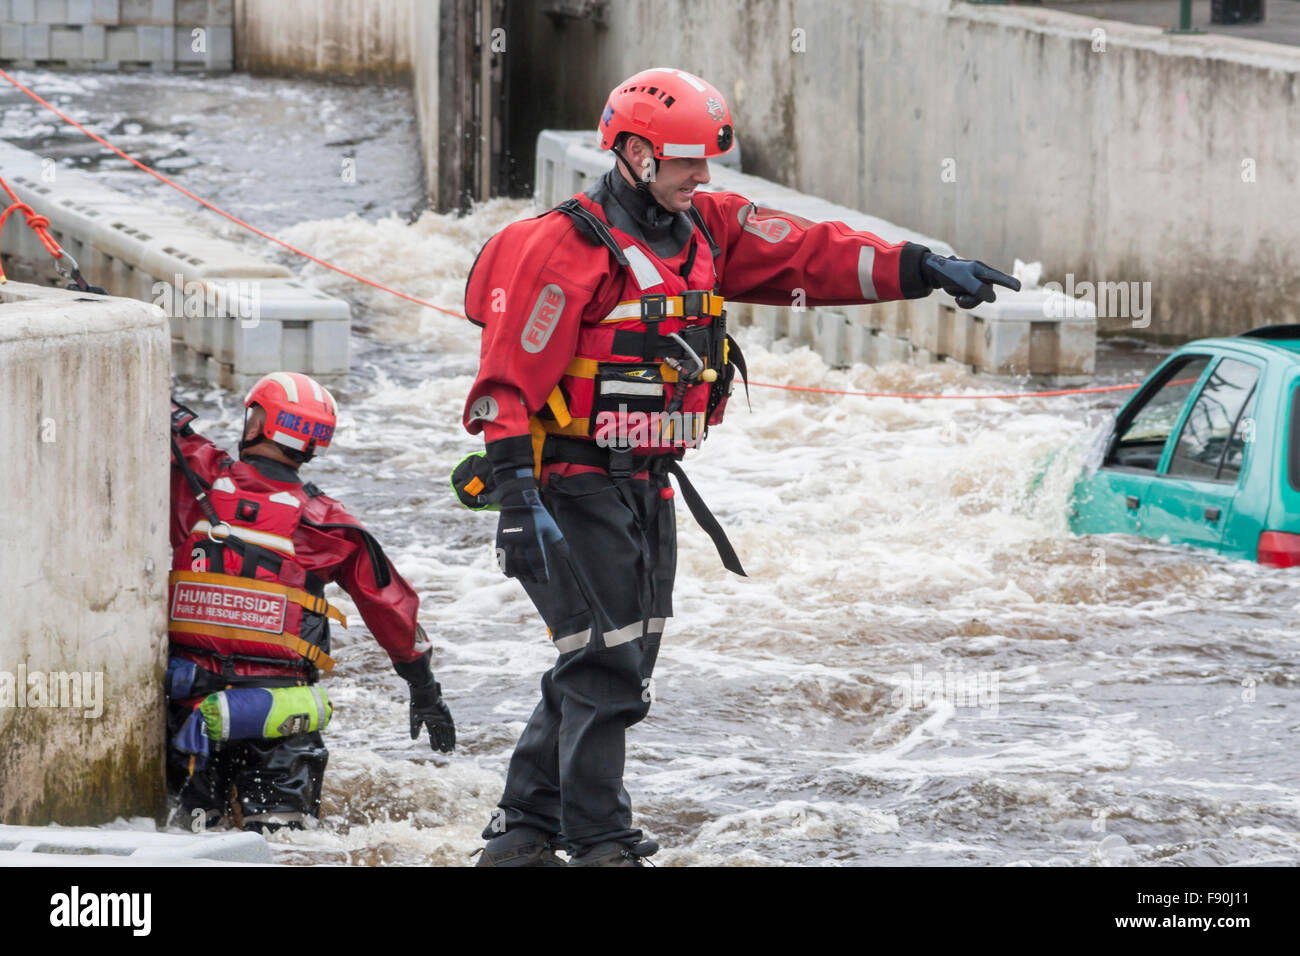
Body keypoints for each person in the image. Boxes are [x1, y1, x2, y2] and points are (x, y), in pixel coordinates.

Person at [459, 68, 1018, 865]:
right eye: (688, 160)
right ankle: (599, 842)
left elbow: (810, 256)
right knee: (608, 661)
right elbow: (507, 382)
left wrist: (923, 267)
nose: (703, 175)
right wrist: (518, 503)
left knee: (617, 651)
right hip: (569, 481)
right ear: (635, 153)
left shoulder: (709, 227)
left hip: (647, 478)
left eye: (708, 160)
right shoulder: (565, 246)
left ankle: (521, 832)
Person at [167, 371, 455, 832]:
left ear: (258, 422)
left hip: (191, 708)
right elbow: (392, 610)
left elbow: (163, 417)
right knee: (284, 848)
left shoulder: (196, 477)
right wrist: (424, 691)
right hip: (281, 717)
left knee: (188, 838)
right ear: (313, 443)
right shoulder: (329, 524)